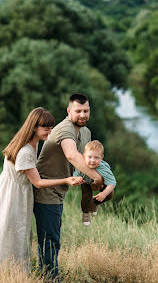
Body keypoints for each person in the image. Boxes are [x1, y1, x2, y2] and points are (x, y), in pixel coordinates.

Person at [0, 107, 84, 273]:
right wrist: (66, 179)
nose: (50, 131)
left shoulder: (32, 144)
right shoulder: (24, 152)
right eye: (46, 128)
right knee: (11, 234)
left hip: (12, 191)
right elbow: (37, 182)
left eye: (51, 128)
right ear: (34, 128)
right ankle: (7, 273)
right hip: (12, 196)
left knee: (14, 233)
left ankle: (8, 272)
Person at [34, 93, 104, 280]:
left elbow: (87, 161)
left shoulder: (86, 132)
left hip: (59, 191)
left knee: (52, 240)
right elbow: (72, 155)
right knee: (50, 241)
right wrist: (96, 177)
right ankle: (50, 279)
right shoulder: (65, 129)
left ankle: (46, 276)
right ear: (68, 111)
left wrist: (100, 180)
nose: (83, 115)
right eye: (78, 111)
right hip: (45, 189)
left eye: (86, 111)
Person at [73, 140, 116, 227]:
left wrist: (104, 193)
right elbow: (75, 175)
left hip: (102, 183)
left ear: (101, 158)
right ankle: (85, 214)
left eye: (96, 158)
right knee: (86, 196)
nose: (92, 160)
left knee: (109, 194)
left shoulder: (103, 168)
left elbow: (112, 182)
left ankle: (95, 203)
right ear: (84, 156)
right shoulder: (82, 165)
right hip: (86, 182)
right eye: (89, 157)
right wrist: (77, 179)